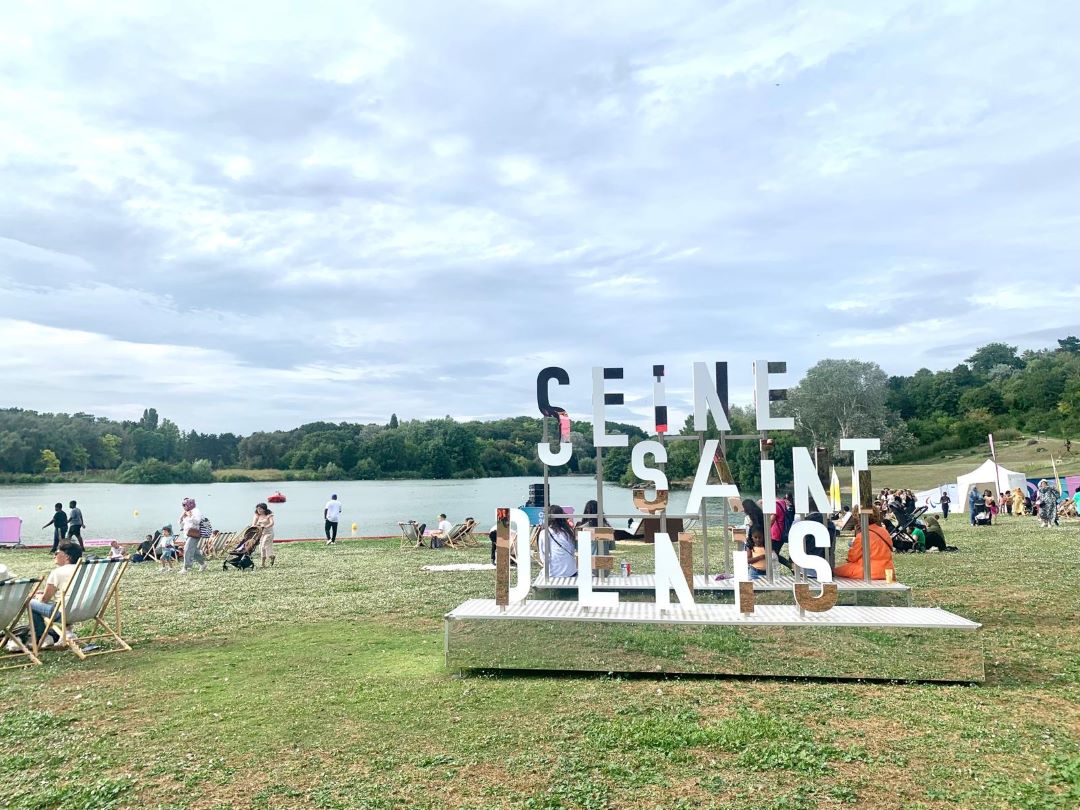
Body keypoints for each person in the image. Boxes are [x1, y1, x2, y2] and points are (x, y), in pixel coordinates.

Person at [29, 543, 82, 648]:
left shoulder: (57, 572)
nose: (54, 556)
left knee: (29, 602)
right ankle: (68, 633)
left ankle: (44, 637)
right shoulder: (84, 570)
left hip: (65, 613)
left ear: (67, 556)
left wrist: (38, 596)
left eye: (56, 553)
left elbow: (44, 599)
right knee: (63, 602)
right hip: (86, 611)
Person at [834, 506, 896, 580]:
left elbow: (852, 557)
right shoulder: (884, 531)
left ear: (858, 519)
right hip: (888, 571)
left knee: (834, 571)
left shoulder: (862, 535)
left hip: (869, 572)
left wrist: (856, 538)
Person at [539, 505, 577, 577]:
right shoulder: (568, 532)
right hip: (570, 572)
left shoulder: (544, 532)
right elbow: (572, 550)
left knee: (541, 573)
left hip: (552, 573)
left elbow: (543, 555)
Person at [741, 498, 768, 580]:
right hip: (757, 536)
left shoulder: (754, 517)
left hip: (754, 535)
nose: (743, 511)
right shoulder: (758, 513)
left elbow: (755, 529)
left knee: (748, 555)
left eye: (744, 509)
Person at [179, 497, 207, 573]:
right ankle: (203, 564)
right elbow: (182, 524)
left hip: (194, 534)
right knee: (194, 551)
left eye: (185, 505)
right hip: (187, 534)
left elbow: (197, 521)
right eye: (183, 505)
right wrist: (182, 517)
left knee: (187, 549)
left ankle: (185, 568)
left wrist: (190, 516)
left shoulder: (196, 511)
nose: (183, 506)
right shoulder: (187, 511)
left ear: (189, 504)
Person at [253, 502, 276, 568]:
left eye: (260, 509)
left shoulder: (269, 515)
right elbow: (254, 524)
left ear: (264, 509)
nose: (258, 510)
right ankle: (264, 563)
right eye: (257, 509)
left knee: (264, 545)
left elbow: (272, 523)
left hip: (269, 533)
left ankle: (270, 556)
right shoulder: (257, 515)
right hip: (261, 534)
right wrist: (255, 526)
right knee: (261, 548)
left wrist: (266, 526)